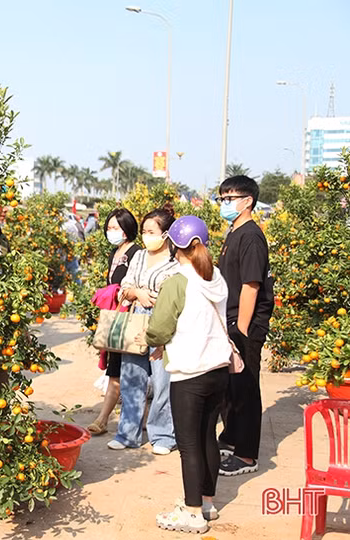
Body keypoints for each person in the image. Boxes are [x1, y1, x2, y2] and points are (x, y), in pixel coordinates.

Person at [138, 216, 232, 534]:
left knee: (189, 444)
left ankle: (192, 513)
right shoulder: (215, 277)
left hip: (190, 373)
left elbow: (161, 326)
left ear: (174, 246)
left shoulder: (178, 281)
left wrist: (150, 340)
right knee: (207, 437)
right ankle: (206, 503)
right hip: (218, 369)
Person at [108, 205, 179, 454]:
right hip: (137, 318)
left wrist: (157, 301)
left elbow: (178, 294)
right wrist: (136, 292)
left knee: (162, 381)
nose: (147, 236)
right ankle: (128, 433)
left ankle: (163, 436)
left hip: (164, 321)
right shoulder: (139, 256)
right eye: (144, 231)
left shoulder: (177, 259)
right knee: (131, 377)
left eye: (151, 231)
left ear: (166, 233)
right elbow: (125, 286)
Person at [215, 175, 274, 476]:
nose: (225, 203)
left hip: (244, 323)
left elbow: (251, 286)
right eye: (222, 198)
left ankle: (247, 455)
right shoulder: (234, 231)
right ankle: (231, 437)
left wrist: (242, 327)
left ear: (248, 200)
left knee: (246, 386)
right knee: (230, 386)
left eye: (231, 198)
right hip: (229, 320)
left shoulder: (251, 235)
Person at [87, 208, 140, 436]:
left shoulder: (137, 253)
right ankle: (105, 418)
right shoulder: (115, 253)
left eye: (115, 228)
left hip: (130, 318)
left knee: (126, 370)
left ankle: (105, 418)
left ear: (127, 229)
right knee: (116, 367)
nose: (110, 231)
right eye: (108, 228)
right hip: (115, 317)